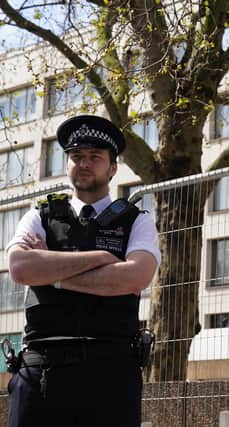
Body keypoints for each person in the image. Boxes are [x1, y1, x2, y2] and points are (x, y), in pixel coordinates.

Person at [4, 114, 160, 427]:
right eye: (76, 157)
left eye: (94, 157)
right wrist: (102, 257)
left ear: (113, 167)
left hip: (109, 372)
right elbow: (20, 268)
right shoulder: (41, 216)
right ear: (67, 164)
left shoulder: (137, 221)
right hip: (42, 370)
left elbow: (135, 276)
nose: (84, 163)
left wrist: (51, 274)